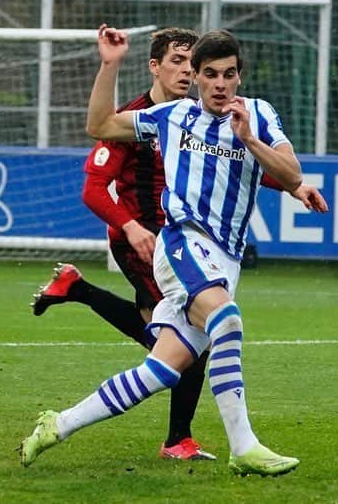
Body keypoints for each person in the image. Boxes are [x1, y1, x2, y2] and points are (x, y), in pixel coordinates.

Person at [19, 25, 328, 477]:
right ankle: (243, 446)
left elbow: (292, 170)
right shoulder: (173, 116)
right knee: (227, 319)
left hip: (225, 257)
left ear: (239, 76)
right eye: (209, 74)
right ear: (198, 78)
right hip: (181, 243)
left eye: (227, 74)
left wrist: (252, 142)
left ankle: (57, 425)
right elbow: (99, 124)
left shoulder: (259, 115)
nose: (219, 84)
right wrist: (110, 64)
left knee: (161, 371)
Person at [32, 27, 216, 461]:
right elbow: (93, 188)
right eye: (177, 62)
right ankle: (178, 441)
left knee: (168, 343)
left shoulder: (197, 117)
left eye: (192, 65)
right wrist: (132, 228)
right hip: (142, 245)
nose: (186, 72)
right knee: (192, 337)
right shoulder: (134, 120)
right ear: (154, 66)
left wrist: (290, 183)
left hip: (178, 245)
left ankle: (77, 289)